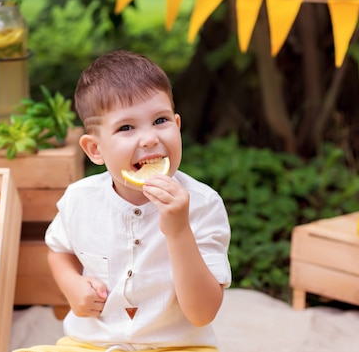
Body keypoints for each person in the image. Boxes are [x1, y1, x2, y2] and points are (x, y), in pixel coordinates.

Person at [14, 50, 232, 352]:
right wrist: (71, 285)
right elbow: (58, 251)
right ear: (95, 150)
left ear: (177, 125)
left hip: (177, 347)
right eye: (126, 128)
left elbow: (202, 313)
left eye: (160, 120)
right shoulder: (80, 200)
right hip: (91, 345)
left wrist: (179, 230)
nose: (149, 139)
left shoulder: (203, 204)